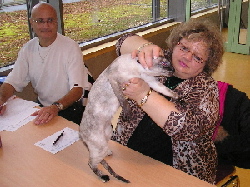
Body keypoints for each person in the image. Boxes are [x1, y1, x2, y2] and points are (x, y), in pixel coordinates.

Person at [111, 19, 224, 184]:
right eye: (184, 47)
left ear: (206, 65)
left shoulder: (207, 89)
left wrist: (144, 95)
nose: (187, 56)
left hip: (177, 171)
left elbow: (187, 128)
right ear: (175, 44)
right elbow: (121, 43)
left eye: (198, 57)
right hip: (128, 153)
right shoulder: (160, 60)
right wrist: (144, 48)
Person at [0, 3, 89, 125]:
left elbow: (77, 90)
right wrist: (1, 100)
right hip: (44, 107)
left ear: (57, 22)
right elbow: (11, 82)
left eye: (50, 20)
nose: (46, 25)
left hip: (68, 108)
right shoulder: (28, 49)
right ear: (31, 23)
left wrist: (55, 107)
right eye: (40, 21)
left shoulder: (70, 47)